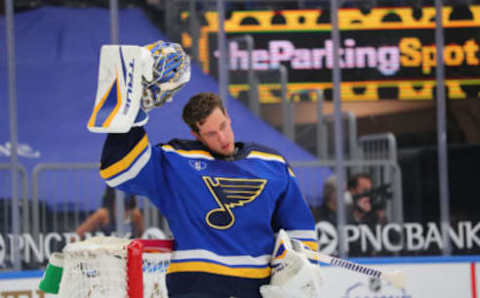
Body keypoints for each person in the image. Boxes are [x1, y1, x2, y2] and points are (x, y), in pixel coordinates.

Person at [98, 92, 317, 298]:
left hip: (256, 287)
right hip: (196, 286)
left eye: (223, 126)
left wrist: (301, 275)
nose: (222, 138)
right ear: (195, 134)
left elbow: (300, 228)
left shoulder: (272, 164)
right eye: (211, 133)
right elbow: (120, 169)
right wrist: (132, 110)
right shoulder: (176, 160)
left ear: (228, 117)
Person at [75, 186, 145, 240]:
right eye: (118, 203)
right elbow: (78, 234)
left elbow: (141, 237)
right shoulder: (103, 214)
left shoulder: (135, 214)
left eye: (125, 206)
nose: (121, 210)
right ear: (112, 200)